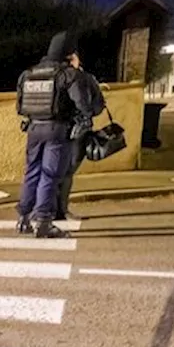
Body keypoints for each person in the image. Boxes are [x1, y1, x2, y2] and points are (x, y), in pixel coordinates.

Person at [14, 31, 95, 238]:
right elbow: (84, 106)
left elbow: (20, 106)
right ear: (69, 54)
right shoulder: (67, 74)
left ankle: (23, 219)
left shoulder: (29, 73)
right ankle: (43, 222)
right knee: (50, 176)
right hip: (57, 131)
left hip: (33, 129)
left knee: (31, 172)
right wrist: (78, 71)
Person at [55, 52, 106, 221]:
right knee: (68, 171)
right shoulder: (85, 78)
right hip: (78, 129)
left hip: (55, 129)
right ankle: (62, 210)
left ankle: (48, 209)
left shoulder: (55, 77)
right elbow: (98, 107)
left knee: (51, 169)